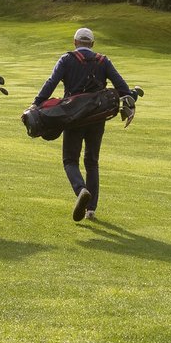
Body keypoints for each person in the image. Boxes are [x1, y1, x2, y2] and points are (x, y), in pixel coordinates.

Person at [32, 26, 129, 222]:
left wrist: (36, 103)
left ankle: (81, 189)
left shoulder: (67, 59)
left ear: (75, 42)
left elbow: (51, 82)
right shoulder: (103, 61)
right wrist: (132, 96)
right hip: (97, 118)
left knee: (70, 160)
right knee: (92, 161)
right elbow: (122, 87)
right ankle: (90, 210)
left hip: (73, 117)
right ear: (92, 44)